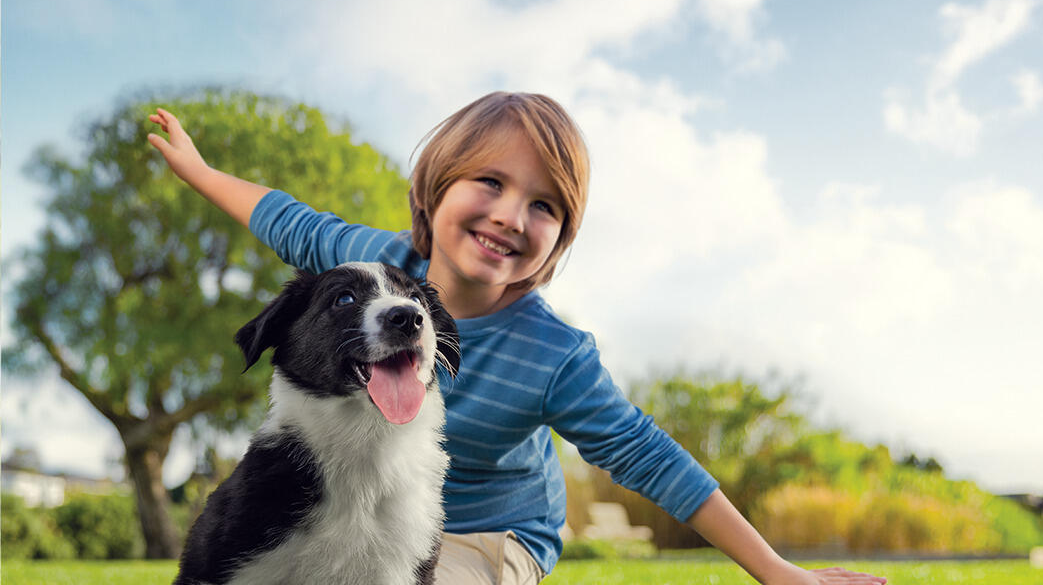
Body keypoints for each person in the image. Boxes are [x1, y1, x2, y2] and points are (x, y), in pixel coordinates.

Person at [148, 92, 887, 585]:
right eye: (490, 184)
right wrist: (199, 168)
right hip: (359, 521)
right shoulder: (372, 269)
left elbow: (650, 457)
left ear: (560, 240)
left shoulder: (554, 354)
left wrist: (777, 571)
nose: (511, 215)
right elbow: (283, 218)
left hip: (494, 538)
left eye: (544, 206)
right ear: (434, 190)